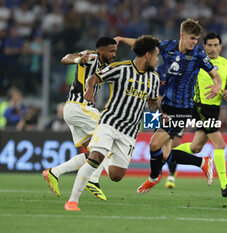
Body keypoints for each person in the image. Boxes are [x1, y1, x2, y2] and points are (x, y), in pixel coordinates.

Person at [115, 19, 222, 194]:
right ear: (182, 36)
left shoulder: (199, 55)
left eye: (196, 39)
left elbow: (215, 75)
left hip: (182, 109)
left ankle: (153, 178)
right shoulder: (168, 46)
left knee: (153, 144)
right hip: (164, 106)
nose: (194, 42)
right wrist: (120, 38)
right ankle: (203, 162)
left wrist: (217, 84)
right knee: (164, 154)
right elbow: (142, 45)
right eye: (191, 38)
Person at [64, 35, 161, 211]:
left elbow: (152, 104)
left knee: (116, 175)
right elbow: (93, 77)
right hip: (109, 122)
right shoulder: (120, 68)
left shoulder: (154, 78)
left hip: (130, 131)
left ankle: (88, 182)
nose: (157, 59)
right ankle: (72, 201)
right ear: (147, 55)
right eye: (156, 55)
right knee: (96, 157)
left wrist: (155, 126)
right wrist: (90, 91)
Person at [165, 32, 227, 197]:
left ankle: (162, 155)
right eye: (210, 45)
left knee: (196, 147)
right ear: (204, 46)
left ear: (221, 47)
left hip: (213, 110)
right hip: (199, 107)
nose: (213, 48)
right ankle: (225, 186)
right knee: (220, 144)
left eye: (216, 45)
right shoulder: (196, 61)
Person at [42, 37, 117, 201]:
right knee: (109, 135)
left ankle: (54, 172)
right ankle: (93, 179)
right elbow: (65, 59)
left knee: (93, 152)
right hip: (79, 107)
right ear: (101, 50)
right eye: (111, 51)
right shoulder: (91, 57)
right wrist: (78, 59)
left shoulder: (107, 67)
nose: (114, 54)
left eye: (115, 51)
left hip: (73, 110)